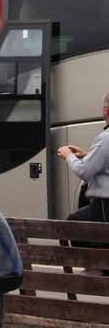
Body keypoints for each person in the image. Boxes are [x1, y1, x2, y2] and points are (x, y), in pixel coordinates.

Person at [57, 90, 109, 230]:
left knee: (72, 225)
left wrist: (68, 155)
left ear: (106, 111)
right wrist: (86, 155)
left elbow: (84, 171)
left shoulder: (105, 138)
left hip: (104, 207)